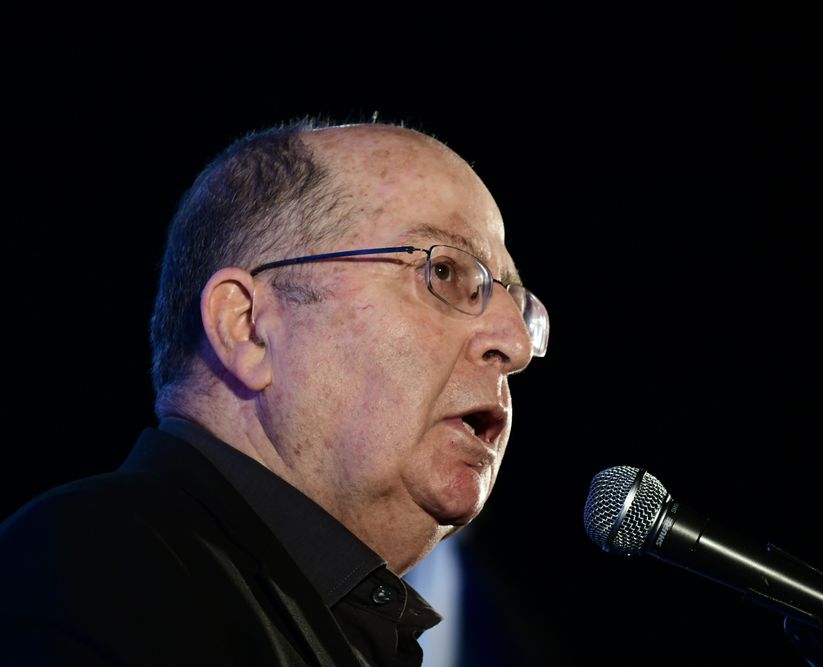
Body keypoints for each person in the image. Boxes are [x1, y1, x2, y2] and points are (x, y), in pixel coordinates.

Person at [0, 118, 549, 666]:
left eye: (518, 306)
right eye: (446, 271)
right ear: (247, 327)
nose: (515, 344)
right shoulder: (88, 570)